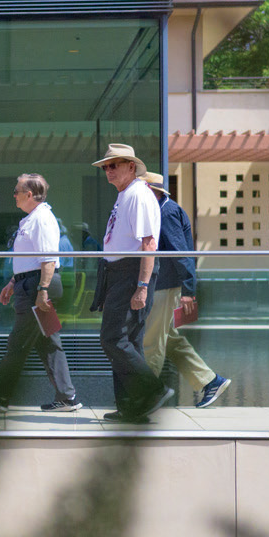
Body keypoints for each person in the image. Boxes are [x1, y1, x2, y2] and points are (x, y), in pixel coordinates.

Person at [0, 173, 80, 412]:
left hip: (37, 286)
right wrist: (13, 282)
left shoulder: (42, 219)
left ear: (29, 194)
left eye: (17, 191)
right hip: (29, 283)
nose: (14, 195)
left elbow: (49, 260)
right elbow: (29, 259)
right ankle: (67, 396)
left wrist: (42, 291)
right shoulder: (31, 219)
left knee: (18, 344)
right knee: (49, 343)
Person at [89, 144, 173, 423]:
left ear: (132, 167)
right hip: (119, 273)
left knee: (112, 338)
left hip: (130, 272)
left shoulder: (138, 194)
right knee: (128, 342)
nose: (109, 170)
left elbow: (149, 244)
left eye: (115, 164)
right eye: (106, 166)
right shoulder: (127, 194)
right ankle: (131, 408)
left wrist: (142, 285)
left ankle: (152, 389)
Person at [140, 172, 231, 408]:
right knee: (169, 339)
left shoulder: (166, 212)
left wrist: (189, 290)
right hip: (165, 285)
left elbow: (181, 254)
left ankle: (147, 396)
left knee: (151, 341)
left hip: (165, 286)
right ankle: (210, 381)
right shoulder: (164, 209)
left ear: (152, 190)